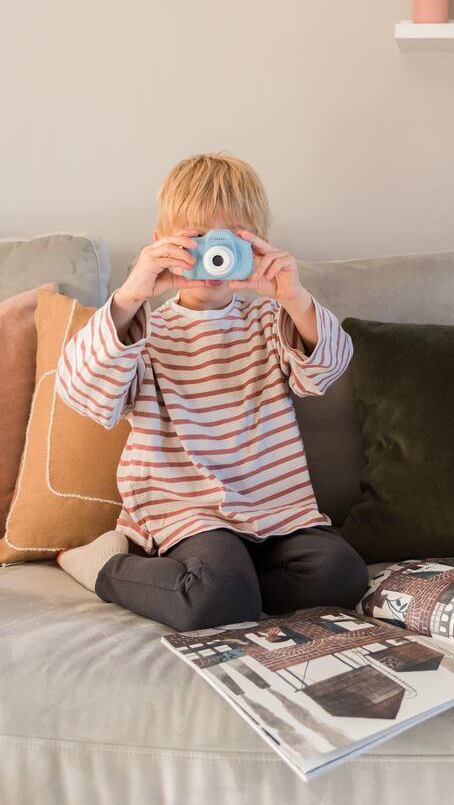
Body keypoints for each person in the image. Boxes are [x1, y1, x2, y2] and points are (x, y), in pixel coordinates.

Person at [53, 151, 369, 631]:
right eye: (194, 240)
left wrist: (294, 297)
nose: (211, 257)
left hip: (276, 512)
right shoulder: (145, 330)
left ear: (257, 246)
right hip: (189, 513)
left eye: (229, 241)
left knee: (343, 576)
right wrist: (130, 295)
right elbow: (83, 392)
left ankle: (235, 584)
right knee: (213, 598)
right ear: (161, 243)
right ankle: (104, 567)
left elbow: (326, 369)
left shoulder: (269, 321)